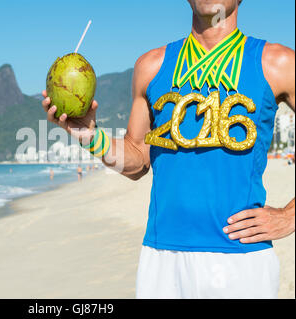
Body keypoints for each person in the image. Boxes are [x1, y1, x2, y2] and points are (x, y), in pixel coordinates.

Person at [41, 0, 295, 298]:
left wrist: (290, 216)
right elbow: (137, 160)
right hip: (162, 257)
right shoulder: (150, 66)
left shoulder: (277, 63)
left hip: (242, 258)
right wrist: (90, 136)